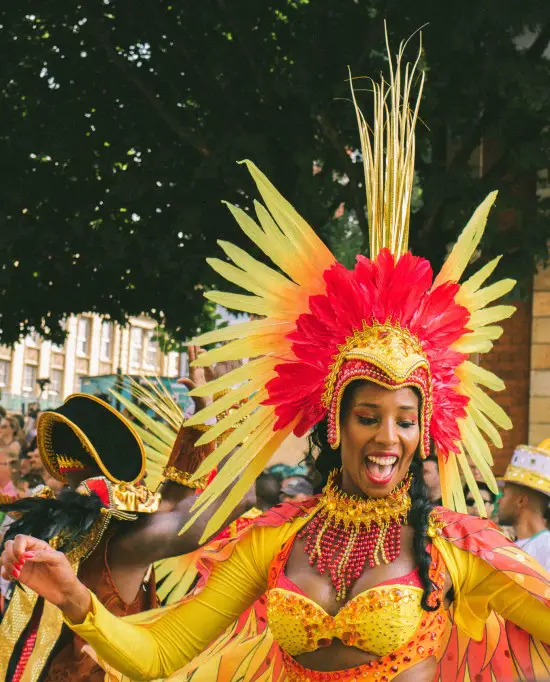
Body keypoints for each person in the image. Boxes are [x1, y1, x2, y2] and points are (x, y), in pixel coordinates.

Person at [2, 37, 550, 682]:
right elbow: (160, 653)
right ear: (333, 423)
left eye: (405, 419)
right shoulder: (274, 536)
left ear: (425, 429)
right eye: (369, 415)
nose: (388, 437)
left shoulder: (456, 545)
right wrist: (72, 597)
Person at [0, 346, 245, 682]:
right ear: (127, 475)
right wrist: (231, 406)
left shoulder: (41, 528)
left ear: (58, 465)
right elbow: (240, 500)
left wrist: (200, 422)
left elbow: (170, 502)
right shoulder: (124, 543)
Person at [499, 441, 550, 571]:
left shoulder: (546, 548)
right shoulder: (511, 547)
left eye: (504, 494)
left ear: (521, 501)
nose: (499, 501)